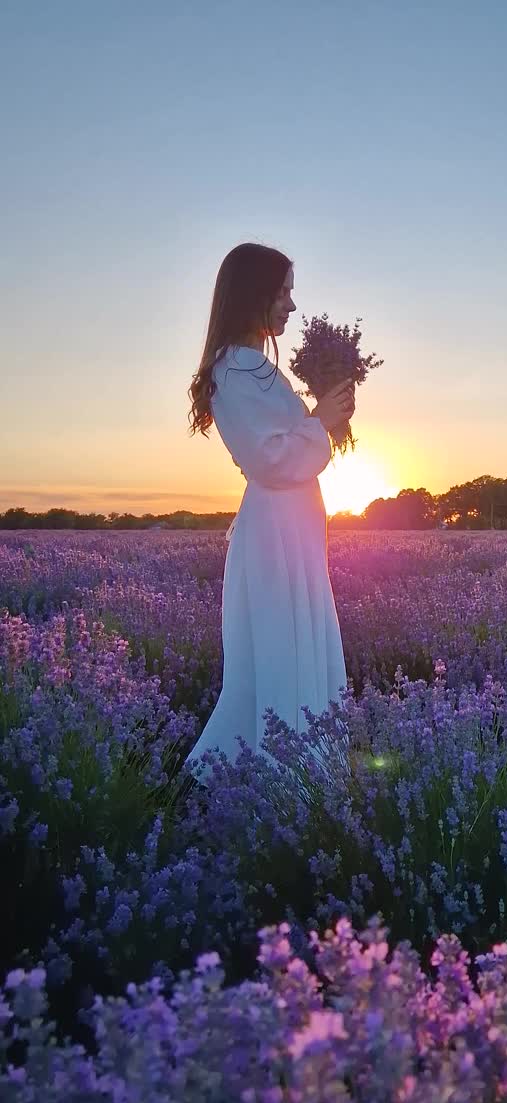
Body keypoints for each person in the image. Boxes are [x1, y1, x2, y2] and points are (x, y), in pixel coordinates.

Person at [184, 242, 354, 778]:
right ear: (254, 294)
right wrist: (320, 421)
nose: (291, 306)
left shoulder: (253, 368)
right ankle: (264, 794)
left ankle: (284, 791)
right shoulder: (235, 370)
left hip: (291, 538)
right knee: (279, 664)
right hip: (275, 541)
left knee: (288, 660)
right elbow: (271, 460)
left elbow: (284, 449)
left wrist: (324, 417)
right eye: (283, 292)